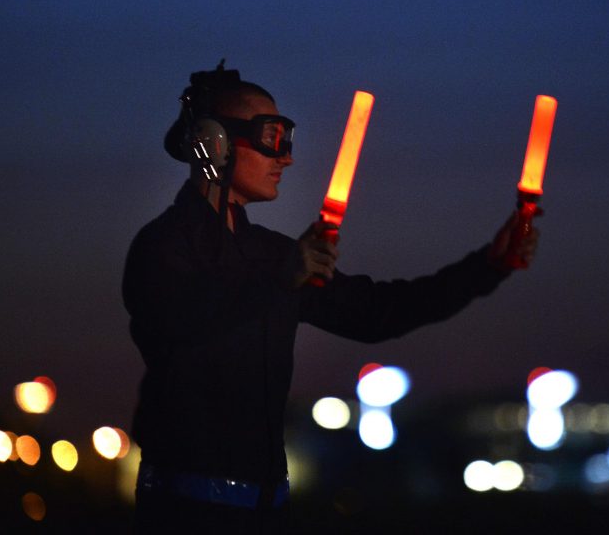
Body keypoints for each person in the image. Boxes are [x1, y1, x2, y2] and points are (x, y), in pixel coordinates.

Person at [123, 61, 539, 533]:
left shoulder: (273, 256)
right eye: (272, 136)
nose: (287, 157)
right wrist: (282, 279)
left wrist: (490, 265)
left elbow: (378, 313)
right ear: (214, 142)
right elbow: (184, 329)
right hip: (184, 515)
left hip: (266, 514)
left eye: (288, 139)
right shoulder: (162, 247)